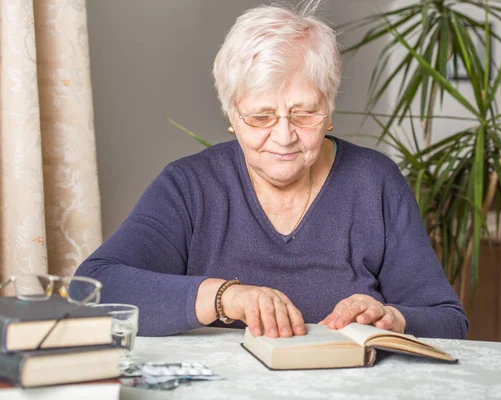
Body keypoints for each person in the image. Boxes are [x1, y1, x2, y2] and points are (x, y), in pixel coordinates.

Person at [75, 1, 468, 340]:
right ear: (231, 115)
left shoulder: (375, 182)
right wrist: (223, 296)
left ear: (329, 109)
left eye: (304, 113)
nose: (284, 137)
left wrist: (395, 317)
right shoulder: (189, 187)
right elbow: (93, 288)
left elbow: (448, 319)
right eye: (260, 116)